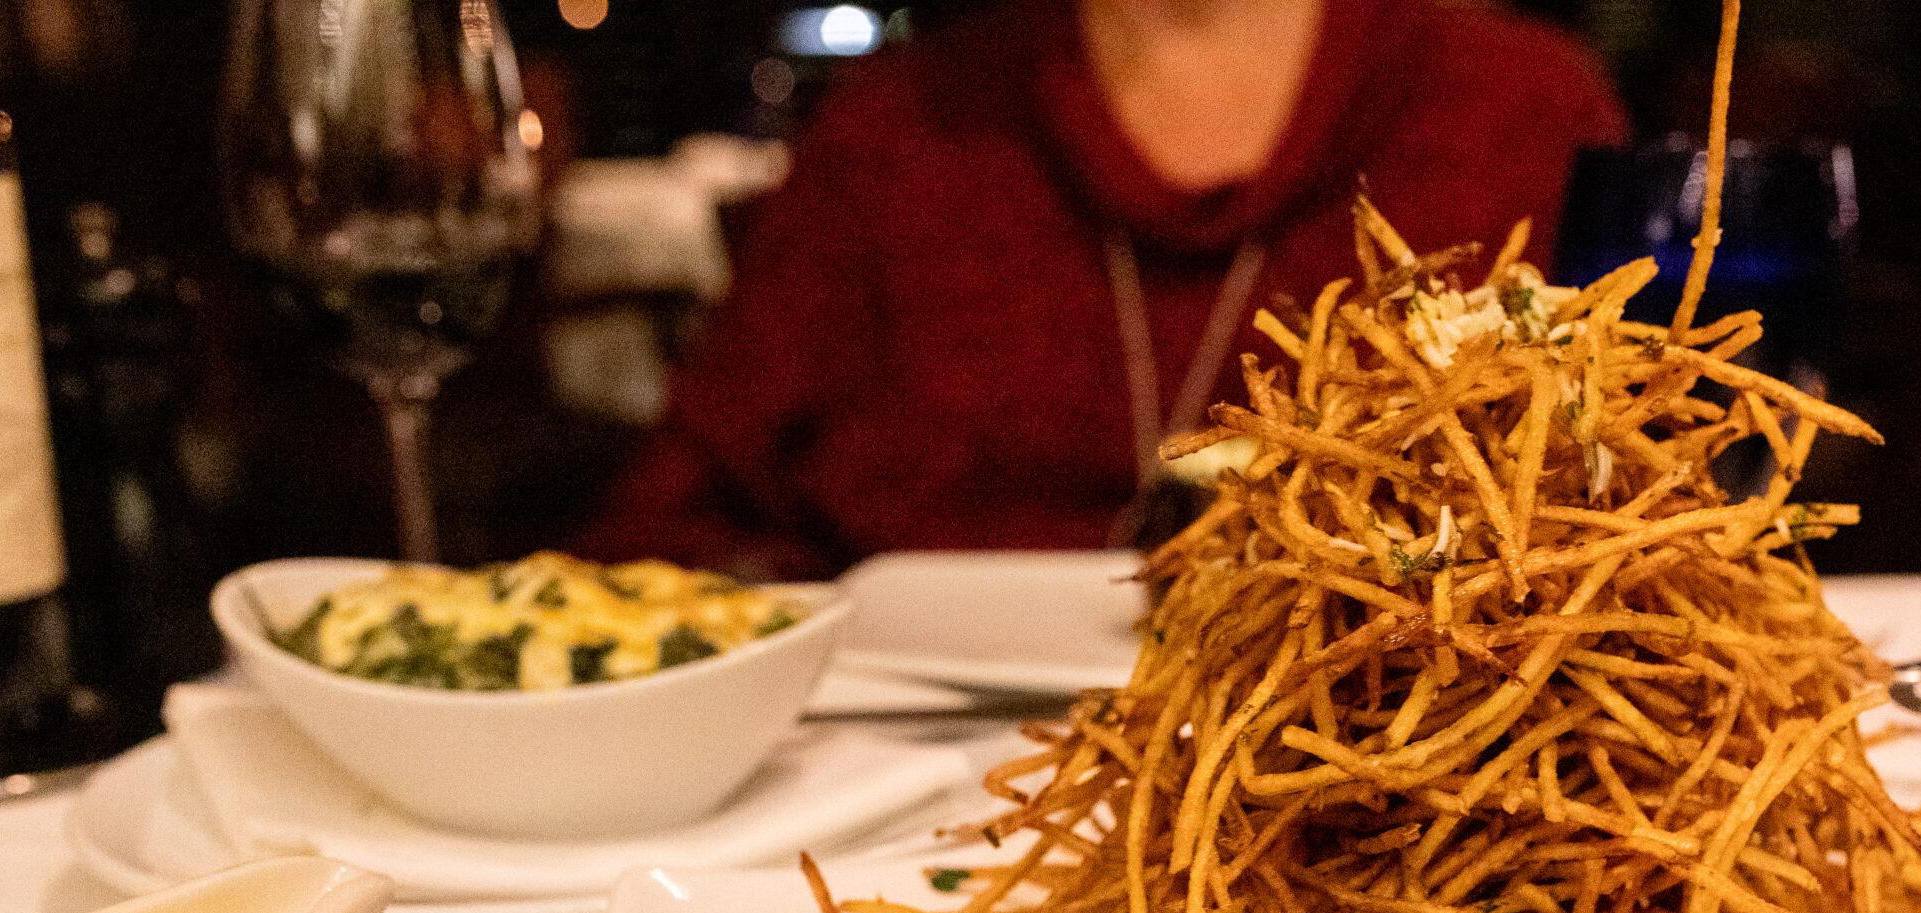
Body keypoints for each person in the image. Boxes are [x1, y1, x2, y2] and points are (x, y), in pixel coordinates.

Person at [578, 0, 1624, 580]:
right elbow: (659, 544)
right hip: (897, 815)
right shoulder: (891, 136)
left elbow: (1643, 518)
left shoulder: (1524, 112)